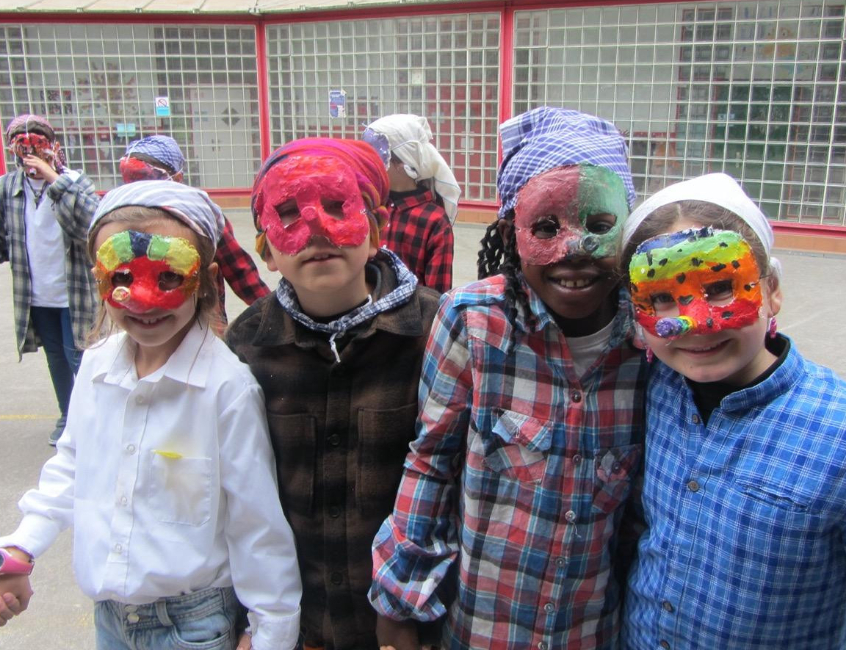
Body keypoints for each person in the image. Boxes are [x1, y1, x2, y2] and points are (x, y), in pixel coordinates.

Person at [370, 107, 648, 650]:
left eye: (599, 225)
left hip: (592, 631)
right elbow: (431, 460)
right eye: (546, 226)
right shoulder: (473, 320)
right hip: (479, 628)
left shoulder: (653, 340)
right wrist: (402, 600)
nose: (574, 250)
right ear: (509, 232)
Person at [0, 181, 303, 650]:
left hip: (192, 627)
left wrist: (271, 633)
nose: (142, 300)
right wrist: (23, 547)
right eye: (121, 277)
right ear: (97, 276)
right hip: (111, 621)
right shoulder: (97, 367)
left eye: (167, 278)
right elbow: (71, 464)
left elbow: (256, 525)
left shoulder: (227, 390)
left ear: (205, 279)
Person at [618, 173, 846, 649]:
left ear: (772, 289)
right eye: (660, 297)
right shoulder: (652, 391)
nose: (696, 324)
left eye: (720, 287)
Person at [225, 138, 440, 650]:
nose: (316, 229)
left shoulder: (437, 332)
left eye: (338, 207)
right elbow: (232, 495)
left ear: (375, 232)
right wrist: (247, 618)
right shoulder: (247, 347)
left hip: (402, 623)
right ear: (267, 250)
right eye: (289, 214)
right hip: (299, 623)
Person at [0, 114, 99, 445]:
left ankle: (94, 418)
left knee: (81, 357)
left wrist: (54, 179)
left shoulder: (73, 182)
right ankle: (67, 416)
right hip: (36, 292)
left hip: (73, 291)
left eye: (37, 145)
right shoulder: (8, 188)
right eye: (22, 146)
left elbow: (92, 225)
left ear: (52, 146)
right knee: (56, 357)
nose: (30, 152)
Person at [120, 134, 270, 319]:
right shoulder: (117, 221)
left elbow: (239, 272)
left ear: (177, 178)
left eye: (147, 178)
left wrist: (273, 312)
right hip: (140, 321)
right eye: (132, 179)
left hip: (201, 323)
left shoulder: (202, 216)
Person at [363, 114, 459, 293]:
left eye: (376, 157)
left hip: (410, 318)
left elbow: (436, 295)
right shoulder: (372, 207)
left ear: (402, 163)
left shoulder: (434, 221)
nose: (370, 166)